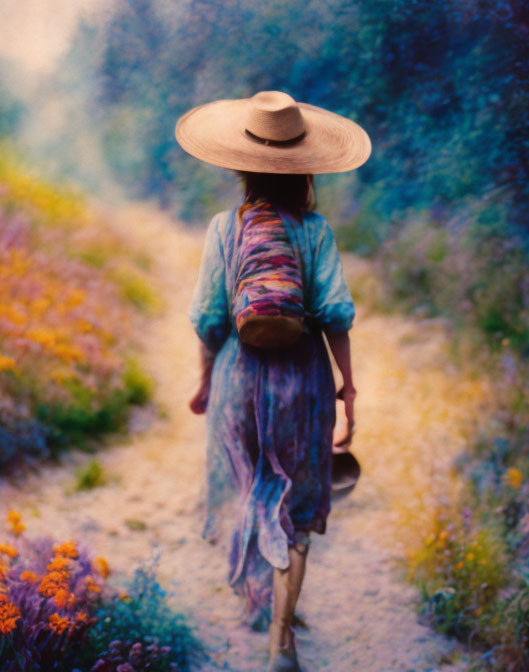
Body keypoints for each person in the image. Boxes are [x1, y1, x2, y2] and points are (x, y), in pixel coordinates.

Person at [175, 90, 371, 671]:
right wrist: (349, 387)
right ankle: (281, 641)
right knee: (296, 508)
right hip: (303, 379)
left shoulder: (223, 228)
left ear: (240, 165)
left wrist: (206, 381)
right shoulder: (315, 230)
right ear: (307, 168)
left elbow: (208, 318)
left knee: (248, 489)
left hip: (240, 373)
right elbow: (335, 313)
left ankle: (258, 598)